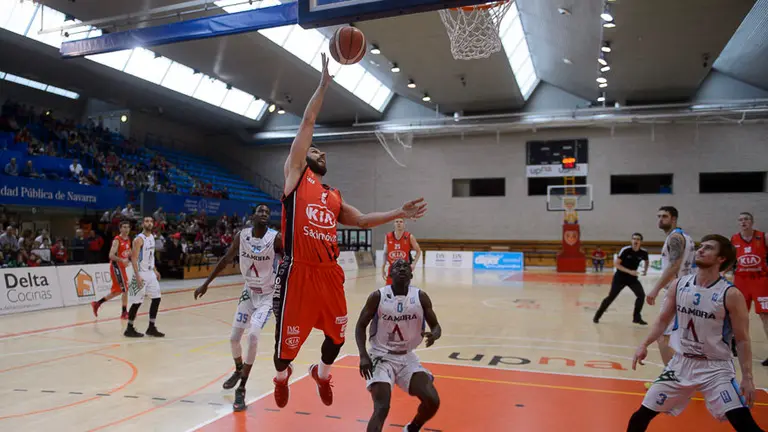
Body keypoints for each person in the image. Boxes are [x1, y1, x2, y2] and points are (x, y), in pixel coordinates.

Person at [272, 53, 428, 409]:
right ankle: (281, 378)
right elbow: (308, 121)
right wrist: (324, 85)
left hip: (329, 275)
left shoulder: (332, 196)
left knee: (337, 338)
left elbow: (361, 220)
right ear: (303, 156)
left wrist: (398, 212)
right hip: (298, 274)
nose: (320, 152)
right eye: (315, 149)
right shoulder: (295, 177)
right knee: (284, 353)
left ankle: (322, 375)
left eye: (322, 151)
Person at [627, 235, 763, 432]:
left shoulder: (731, 295)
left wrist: (748, 378)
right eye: (701, 246)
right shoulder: (680, 285)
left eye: (708, 248)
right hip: (681, 363)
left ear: (721, 259)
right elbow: (663, 320)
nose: (700, 250)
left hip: (715, 368)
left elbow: (742, 340)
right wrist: (644, 344)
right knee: (640, 417)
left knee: (745, 425)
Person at [194, 204, 283, 412]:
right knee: (234, 338)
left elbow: (290, 259)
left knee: (253, 336)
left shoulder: (275, 238)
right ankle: (238, 369)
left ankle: (241, 388)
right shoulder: (242, 236)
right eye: (260, 211)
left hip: (267, 296)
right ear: (252, 216)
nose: (264, 214)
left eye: (267, 213)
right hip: (248, 292)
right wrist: (206, 284)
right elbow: (226, 259)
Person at [356, 259, 441, 432]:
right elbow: (360, 326)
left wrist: (435, 334)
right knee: (382, 407)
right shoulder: (377, 297)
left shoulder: (420, 297)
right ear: (389, 274)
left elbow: (436, 326)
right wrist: (363, 355)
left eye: (405, 266)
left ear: (411, 274)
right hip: (381, 356)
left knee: (432, 400)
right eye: (397, 266)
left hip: (407, 357)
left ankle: (412, 428)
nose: (401, 268)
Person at [645, 206, 695, 366]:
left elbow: (674, 265)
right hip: (687, 289)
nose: (660, 219)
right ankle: (679, 376)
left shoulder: (675, 238)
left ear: (674, 219)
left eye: (664, 216)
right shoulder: (686, 237)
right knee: (679, 338)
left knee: (662, 336)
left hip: (677, 291)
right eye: (658, 216)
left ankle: (670, 379)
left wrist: (655, 288)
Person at [730, 212, 768, 365]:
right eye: (740, 220)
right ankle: (735, 345)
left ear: (752, 222)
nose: (743, 222)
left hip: (761, 280)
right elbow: (729, 260)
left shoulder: (763, 237)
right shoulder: (734, 239)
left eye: (746, 219)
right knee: (739, 316)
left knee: (765, 316)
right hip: (741, 281)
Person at [593, 233, 649, 325]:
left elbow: (646, 261)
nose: (635, 241)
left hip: (632, 279)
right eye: (634, 239)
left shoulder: (643, 252)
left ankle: (636, 317)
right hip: (620, 278)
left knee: (641, 296)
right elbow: (617, 264)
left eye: (638, 239)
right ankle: (597, 315)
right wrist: (629, 271)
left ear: (641, 242)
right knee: (611, 297)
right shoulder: (626, 250)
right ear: (631, 240)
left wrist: (645, 270)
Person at [125, 216, 163, 338]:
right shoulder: (138, 239)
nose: (149, 223)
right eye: (147, 221)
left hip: (150, 273)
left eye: (151, 221)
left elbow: (151, 256)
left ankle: (151, 327)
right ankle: (129, 328)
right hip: (140, 273)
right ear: (142, 224)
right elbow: (134, 259)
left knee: (157, 298)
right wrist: (137, 276)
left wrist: (155, 270)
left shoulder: (152, 237)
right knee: (137, 302)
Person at [91, 220, 131, 319]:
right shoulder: (117, 240)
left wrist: (129, 259)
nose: (126, 229)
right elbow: (111, 255)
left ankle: (97, 303)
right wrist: (122, 260)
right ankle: (124, 312)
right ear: (120, 228)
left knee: (118, 291)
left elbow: (128, 251)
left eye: (127, 227)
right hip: (116, 266)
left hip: (122, 267)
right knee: (125, 289)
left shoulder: (128, 239)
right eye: (124, 227)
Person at [382, 218, 422, 284]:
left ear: (404, 224)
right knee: (389, 291)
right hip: (392, 269)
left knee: (403, 291)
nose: (398, 223)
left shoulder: (409, 236)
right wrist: (383, 268)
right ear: (394, 224)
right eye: (396, 221)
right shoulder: (388, 236)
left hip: (404, 269)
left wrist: (414, 264)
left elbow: (418, 251)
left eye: (401, 222)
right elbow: (385, 253)